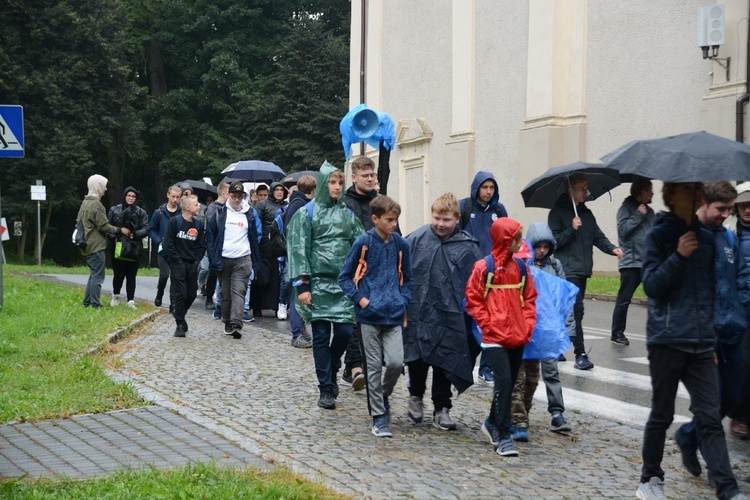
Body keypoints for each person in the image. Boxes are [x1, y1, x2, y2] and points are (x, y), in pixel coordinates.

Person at [636, 182, 745, 500]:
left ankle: (728, 489)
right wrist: (679, 256)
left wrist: (710, 341)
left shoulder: (709, 239)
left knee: (710, 417)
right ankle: (650, 480)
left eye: (698, 194)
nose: (696, 198)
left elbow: (710, 293)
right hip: (667, 340)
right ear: (671, 197)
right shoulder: (658, 235)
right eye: (689, 193)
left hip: (701, 343)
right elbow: (652, 286)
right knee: (662, 414)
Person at [673, 182, 750, 480]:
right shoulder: (691, 238)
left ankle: (687, 437)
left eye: (729, 209)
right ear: (703, 204)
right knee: (711, 405)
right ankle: (721, 474)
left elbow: (741, 277)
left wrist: (740, 310)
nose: (726, 214)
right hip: (705, 336)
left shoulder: (729, 238)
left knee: (733, 400)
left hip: (732, 331)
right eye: (722, 209)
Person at [287, 162, 365, 409]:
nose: (337, 187)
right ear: (323, 184)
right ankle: (326, 388)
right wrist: (303, 286)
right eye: (332, 182)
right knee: (320, 336)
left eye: (340, 183)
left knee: (344, 332)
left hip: (342, 286)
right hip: (317, 284)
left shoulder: (347, 215)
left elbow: (361, 247)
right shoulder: (306, 214)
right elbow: (299, 250)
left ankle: (332, 367)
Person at [403, 193, 482, 430]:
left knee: (444, 358)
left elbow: (476, 282)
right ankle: (415, 396)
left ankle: (442, 406)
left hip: (450, 314)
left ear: (457, 219)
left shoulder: (468, 247)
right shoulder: (416, 239)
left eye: (446, 220)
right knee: (417, 355)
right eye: (437, 218)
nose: (440, 224)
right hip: (419, 309)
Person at [339, 195, 414, 438]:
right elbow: (345, 277)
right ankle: (379, 417)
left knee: (395, 362)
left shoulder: (401, 245)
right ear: (375, 219)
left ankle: (381, 396)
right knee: (372, 366)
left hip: (393, 314)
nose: (394, 224)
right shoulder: (363, 243)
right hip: (368, 316)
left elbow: (409, 279)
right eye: (389, 220)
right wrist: (361, 300)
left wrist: (403, 299)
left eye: (396, 220)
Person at [465, 218, 537, 457]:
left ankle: (491, 422)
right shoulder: (484, 267)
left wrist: (527, 327)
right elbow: (473, 300)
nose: (520, 242)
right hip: (494, 337)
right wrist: (488, 325)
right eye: (516, 238)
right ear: (505, 240)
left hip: (517, 336)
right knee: (504, 382)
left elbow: (529, 300)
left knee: (510, 381)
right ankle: (504, 435)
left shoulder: (522, 268)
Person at [548, 173, 622, 370]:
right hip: (567, 269)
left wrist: (612, 249)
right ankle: (580, 354)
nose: (586, 192)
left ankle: (555, 348)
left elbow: (598, 236)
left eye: (586, 187)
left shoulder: (586, 214)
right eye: (582, 188)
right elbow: (553, 243)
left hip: (582, 270)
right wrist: (571, 228)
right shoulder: (557, 213)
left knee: (566, 311)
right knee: (576, 311)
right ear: (569, 190)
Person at [510, 222, 573, 441]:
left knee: (538, 376)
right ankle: (518, 419)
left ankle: (556, 412)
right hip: (521, 331)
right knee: (518, 377)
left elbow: (563, 299)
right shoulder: (521, 264)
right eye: (539, 246)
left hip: (543, 332)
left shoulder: (554, 267)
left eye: (547, 246)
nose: (542, 250)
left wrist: (566, 329)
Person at [459, 171, 508, 383]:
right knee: (470, 322)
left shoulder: (499, 210)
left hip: (494, 274)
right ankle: (465, 363)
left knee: (493, 322)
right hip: (470, 276)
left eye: (491, 188)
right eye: (484, 187)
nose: (488, 192)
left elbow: (506, 237)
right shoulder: (465, 207)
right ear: (476, 187)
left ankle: (486, 367)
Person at [342, 156, 381, 391]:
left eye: (372, 175)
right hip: (350, 269)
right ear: (354, 177)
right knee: (353, 319)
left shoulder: (380, 201)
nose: (369, 179)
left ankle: (357, 366)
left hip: (376, 268)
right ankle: (355, 366)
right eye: (364, 175)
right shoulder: (344, 203)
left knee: (371, 317)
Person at [206, 182, 260, 339]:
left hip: (243, 258)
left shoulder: (249, 214)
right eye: (234, 196)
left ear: (243, 196)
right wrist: (213, 258)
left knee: (239, 291)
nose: (237, 199)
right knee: (226, 294)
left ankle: (236, 323)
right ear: (228, 195)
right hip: (223, 258)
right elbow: (210, 237)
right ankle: (227, 321)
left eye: (239, 196)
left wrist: (255, 261)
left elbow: (254, 238)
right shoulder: (220, 214)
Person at [610, 177, 655, 346]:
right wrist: (638, 214)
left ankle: (657, 332)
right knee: (624, 299)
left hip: (648, 261)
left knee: (656, 297)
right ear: (640, 193)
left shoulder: (650, 212)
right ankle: (617, 333)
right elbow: (623, 231)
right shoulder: (626, 209)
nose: (652, 193)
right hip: (631, 262)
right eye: (649, 189)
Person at [77, 174, 131, 308]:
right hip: (95, 245)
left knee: (93, 274)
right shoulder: (97, 205)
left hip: (86, 243)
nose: (106, 189)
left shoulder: (85, 202)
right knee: (98, 276)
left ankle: (87, 302)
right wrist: (120, 230)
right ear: (98, 186)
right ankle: (95, 304)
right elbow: (104, 226)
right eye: (104, 186)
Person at [162, 195, 205, 337]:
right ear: (187, 207)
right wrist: (177, 260)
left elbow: (201, 245)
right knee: (181, 293)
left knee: (192, 293)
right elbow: (168, 242)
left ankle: (179, 313)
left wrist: (196, 261)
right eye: (196, 204)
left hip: (192, 264)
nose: (199, 207)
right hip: (178, 263)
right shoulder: (175, 222)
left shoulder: (198, 224)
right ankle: (180, 323)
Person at [283, 175, 317, 348]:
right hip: (299, 256)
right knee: (297, 293)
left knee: (298, 292)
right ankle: (297, 333)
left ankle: (300, 329)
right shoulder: (300, 205)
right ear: (313, 190)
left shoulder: (296, 203)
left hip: (299, 255)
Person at [728, 182, 750, 439]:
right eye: (743, 205)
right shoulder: (729, 232)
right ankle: (740, 416)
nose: (747, 210)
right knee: (743, 363)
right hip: (739, 307)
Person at [106, 186, 149, 309]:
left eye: (133, 196)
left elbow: (146, 228)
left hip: (134, 246)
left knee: (131, 274)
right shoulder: (115, 210)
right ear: (124, 196)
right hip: (118, 245)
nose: (131, 198)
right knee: (118, 273)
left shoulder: (141, 212)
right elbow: (107, 227)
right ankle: (116, 295)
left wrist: (134, 234)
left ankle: (130, 300)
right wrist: (114, 237)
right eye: (129, 196)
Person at [251, 181, 288, 317]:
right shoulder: (263, 205)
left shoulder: (286, 206)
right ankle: (256, 306)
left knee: (280, 278)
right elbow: (256, 224)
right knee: (262, 277)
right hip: (265, 246)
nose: (279, 192)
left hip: (280, 246)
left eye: (281, 189)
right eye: (276, 189)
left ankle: (277, 305)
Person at [149, 185, 183, 308]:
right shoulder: (159, 212)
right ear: (168, 195)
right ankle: (159, 293)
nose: (175, 199)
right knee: (164, 275)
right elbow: (152, 229)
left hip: (178, 249)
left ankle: (173, 302)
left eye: (178, 197)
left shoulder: (182, 212)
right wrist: (159, 241)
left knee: (175, 276)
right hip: (163, 250)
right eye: (173, 196)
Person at [202, 182, 230, 311]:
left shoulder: (230, 207)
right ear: (224, 193)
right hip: (215, 244)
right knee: (213, 272)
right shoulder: (212, 208)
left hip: (227, 244)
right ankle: (209, 297)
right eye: (230, 193)